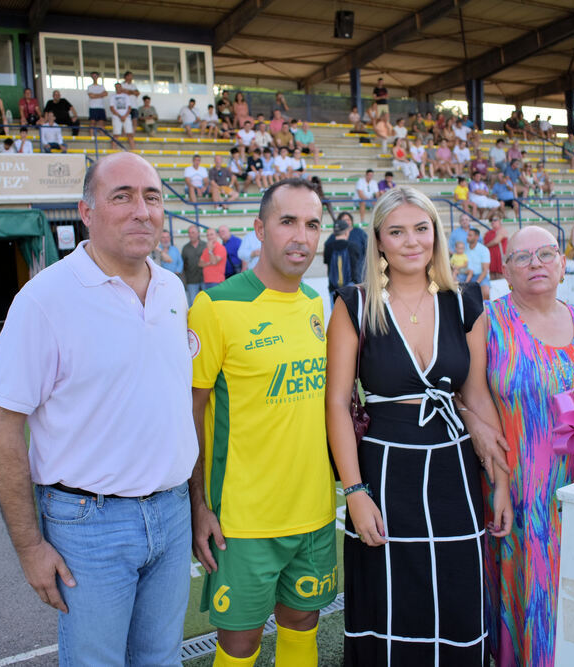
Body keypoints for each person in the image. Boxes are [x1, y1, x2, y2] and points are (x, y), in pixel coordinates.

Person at [0, 152, 196, 665]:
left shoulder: (171, 288)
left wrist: (197, 501)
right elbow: (0, 429)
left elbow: (172, 403)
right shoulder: (44, 300)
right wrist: (30, 546)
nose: (141, 210)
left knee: (160, 659)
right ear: (86, 211)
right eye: (121, 196)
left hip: (171, 515)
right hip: (89, 525)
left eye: (152, 196)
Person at [326, 186, 511, 665]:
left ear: (436, 234)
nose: (412, 241)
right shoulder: (354, 305)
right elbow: (337, 405)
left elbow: (475, 396)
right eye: (397, 231)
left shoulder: (465, 303)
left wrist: (501, 482)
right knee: (388, 601)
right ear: (380, 241)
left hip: (454, 470)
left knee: (456, 599)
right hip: (385, 473)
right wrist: (355, 492)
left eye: (421, 229)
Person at [189, 178, 335, 667]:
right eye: (287, 221)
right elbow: (190, 413)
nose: (301, 236)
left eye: (312, 224)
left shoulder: (316, 304)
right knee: (241, 644)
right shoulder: (216, 306)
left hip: (314, 512)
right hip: (244, 522)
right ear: (259, 229)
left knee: (302, 627)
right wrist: (198, 506)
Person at [484, 226, 574, 667]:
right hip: (519, 486)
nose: (535, 263)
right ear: (504, 269)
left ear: (562, 262)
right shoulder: (487, 322)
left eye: (545, 254)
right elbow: (467, 401)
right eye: (522, 257)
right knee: (534, 592)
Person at [323, 215, 361, 301]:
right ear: (347, 232)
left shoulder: (328, 247)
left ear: (334, 233)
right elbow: (356, 267)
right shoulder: (353, 246)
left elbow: (327, 266)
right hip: (351, 288)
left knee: (336, 313)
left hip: (333, 288)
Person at [182, 225, 207, 305]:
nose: (191, 235)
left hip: (205, 279)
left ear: (198, 233)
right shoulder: (185, 248)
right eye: (189, 233)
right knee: (193, 303)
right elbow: (184, 264)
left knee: (206, 302)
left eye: (193, 232)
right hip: (191, 280)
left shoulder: (205, 245)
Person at [465, 226, 492, 299]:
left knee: (485, 293)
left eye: (470, 235)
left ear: (477, 237)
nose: (467, 237)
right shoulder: (464, 249)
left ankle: (486, 310)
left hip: (481, 276)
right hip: (466, 275)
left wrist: (476, 283)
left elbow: (485, 270)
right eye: (468, 235)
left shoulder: (484, 250)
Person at [109, 82, 135, 150]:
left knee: (130, 134)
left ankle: (133, 150)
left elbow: (129, 108)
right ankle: (113, 149)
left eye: (119, 87)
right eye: (116, 87)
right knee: (116, 134)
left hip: (126, 116)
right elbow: (112, 108)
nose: (118, 88)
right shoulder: (113, 97)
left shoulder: (126, 96)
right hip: (117, 117)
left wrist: (125, 116)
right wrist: (120, 116)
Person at [484, 213, 509, 279]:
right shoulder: (488, 232)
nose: (493, 222)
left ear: (500, 221)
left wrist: (485, 246)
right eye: (491, 220)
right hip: (491, 257)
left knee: (501, 276)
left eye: (495, 220)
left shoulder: (502, 230)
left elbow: (496, 241)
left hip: (499, 258)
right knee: (492, 276)